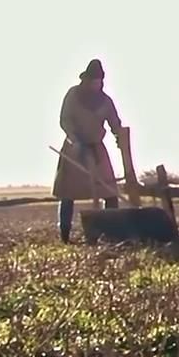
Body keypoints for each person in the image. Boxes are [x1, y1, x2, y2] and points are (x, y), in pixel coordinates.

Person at [52, 59, 124, 243]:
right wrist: (74, 138)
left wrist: (120, 137)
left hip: (96, 149)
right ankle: (65, 235)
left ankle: (112, 232)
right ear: (86, 80)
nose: (96, 84)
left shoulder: (105, 101)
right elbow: (65, 119)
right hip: (74, 148)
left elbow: (115, 123)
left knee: (110, 191)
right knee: (67, 194)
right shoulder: (73, 95)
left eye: (99, 81)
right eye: (94, 81)